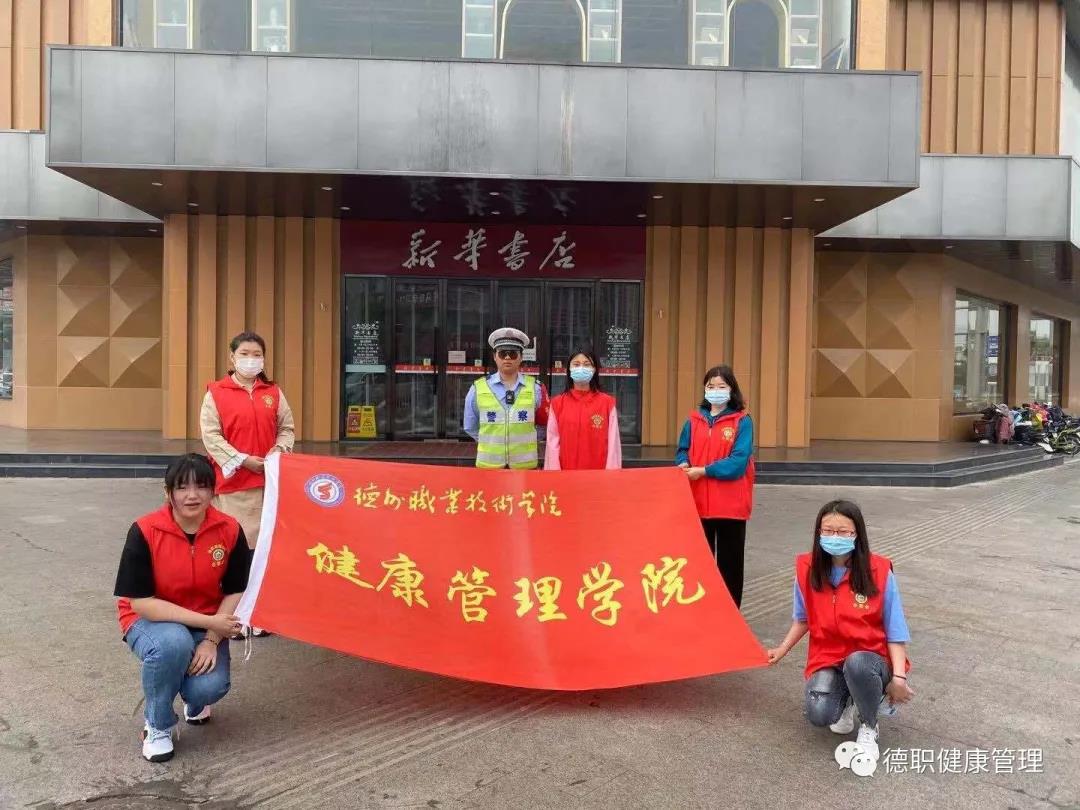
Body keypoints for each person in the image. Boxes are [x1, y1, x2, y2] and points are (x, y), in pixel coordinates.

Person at [113, 453, 252, 763]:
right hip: (149, 619)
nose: (192, 495)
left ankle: (193, 698)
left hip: (207, 622)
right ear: (168, 492)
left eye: (201, 486)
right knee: (173, 644)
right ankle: (157, 725)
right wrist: (211, 623)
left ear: (213, 491)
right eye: (182, 487)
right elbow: (141, 603)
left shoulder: (230, 529)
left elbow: (236, 589)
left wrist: (211, 640)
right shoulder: (144, 530)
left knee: (208, 688)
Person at [766, 500, 914, 764]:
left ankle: (869, 725)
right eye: (828, 531)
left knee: (858, 664)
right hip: (828, 657)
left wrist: (899, 677)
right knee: (819, 714)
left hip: (870, 659)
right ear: (818, 533)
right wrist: (782, 649)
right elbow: (803, 618)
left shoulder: (879, 570)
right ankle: (847, 700)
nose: (834, 537)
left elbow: (895, 630)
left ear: (857, 534)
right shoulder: (807, 568)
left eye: (843, 531)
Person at [201, 331, 293, 636]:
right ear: (232, 357)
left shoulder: (273, 393)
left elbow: (286, 428)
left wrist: (278, 451)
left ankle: (260, 614)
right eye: (244, 354)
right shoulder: (216, 393)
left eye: (256, 354)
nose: (251, 360)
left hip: (269, 486)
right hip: (233, 487)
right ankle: (234, 617)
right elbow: (211, 436)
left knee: (264, 552)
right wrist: (241, 460)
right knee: (236, 551)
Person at [675, 365, 755, 607]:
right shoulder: (693, 420)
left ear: (732, 390)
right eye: (711, 386)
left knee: (730, 565)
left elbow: (738, 463)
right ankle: (705, 611)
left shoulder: (742, 421)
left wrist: (704, 471)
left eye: (722, 386)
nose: (716, 390)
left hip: (731, 507)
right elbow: (682, 449)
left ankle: (730, 613)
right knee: (701, 563)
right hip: (698, 504)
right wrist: (683, 462)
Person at [463, 327, 548, 469]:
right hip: (489, 467)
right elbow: (470, 426)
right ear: (495, 357)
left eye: (513, 354)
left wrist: (528, 441)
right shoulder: (477, 388)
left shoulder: (536, 388)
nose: (507, 358)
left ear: (521, 357)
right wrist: (490, 442)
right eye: (503, 353)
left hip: (524, 467)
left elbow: (544, 425)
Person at [544, 347, 622, 470]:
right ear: (569, 369)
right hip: (566, 475)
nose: (581, 368)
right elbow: (552, 444)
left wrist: (611, 476)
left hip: (598, 475)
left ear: (594, 369)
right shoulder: (557, 404)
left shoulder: (607, 403)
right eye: (576, 364)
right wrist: (554, 475)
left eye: (586, 364)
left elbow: (613, 445)